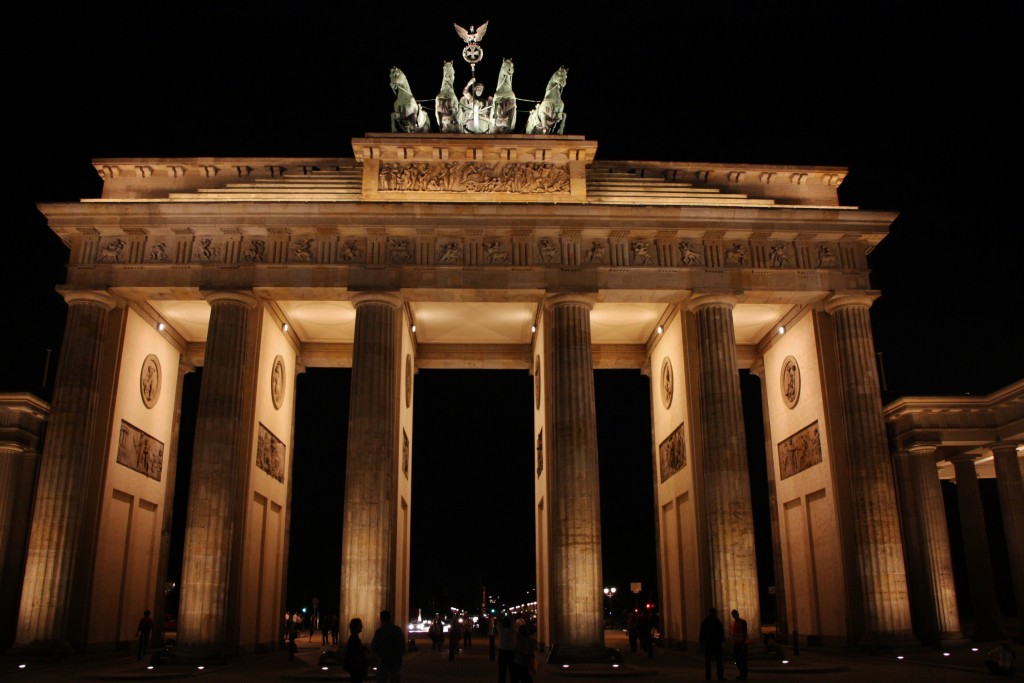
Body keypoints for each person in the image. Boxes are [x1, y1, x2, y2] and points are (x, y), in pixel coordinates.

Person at [371, 609, 406, 683]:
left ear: (381, 619)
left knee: (382, 679)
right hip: (395, 661)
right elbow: (402, 645)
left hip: (383, 661)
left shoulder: (379, 632)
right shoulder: (397, 630)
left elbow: (374, 646)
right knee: (394, 678)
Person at [699, 607, 726, 681]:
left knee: (708, 661)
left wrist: (702, 643)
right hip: (716, 644)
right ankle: (720, 676)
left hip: (708, 644)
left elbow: (702, 633)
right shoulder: (717, 621)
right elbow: (721, 632)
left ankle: (708, 677)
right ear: (715, 613)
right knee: (719, 661)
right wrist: (722, 642)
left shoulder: (705, 621)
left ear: (709, 612)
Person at [343, 618, 369, 683]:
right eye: (360, 625)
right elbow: (355, 654)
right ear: (356, 627)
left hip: (355, 668)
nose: (362, 627)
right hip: (356, 668)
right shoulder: (354, 639)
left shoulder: (353, 638)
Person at [497, 615, 516, 683]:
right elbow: (513, 620)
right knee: (512, 670)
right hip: (511, 652)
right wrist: (509, 611)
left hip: (502, 652)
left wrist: (499, 609)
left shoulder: (501, 630)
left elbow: (498, 620)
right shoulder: (512, 630)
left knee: (502, 670)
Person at [731, 609, 749, 681]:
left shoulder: (743, 622)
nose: (734, 615)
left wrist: (744, 643)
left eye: (735, 614)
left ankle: (744, 675)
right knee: (737, 661)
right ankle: (742, 674)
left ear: (737, 614)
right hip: (736, 644)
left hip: (742, 644)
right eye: (733, 614)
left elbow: (744, 632)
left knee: (743, 661)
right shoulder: (733, 623)